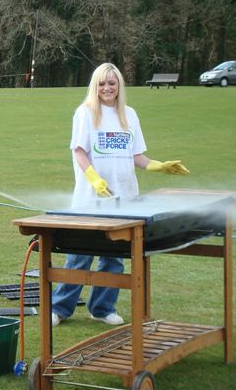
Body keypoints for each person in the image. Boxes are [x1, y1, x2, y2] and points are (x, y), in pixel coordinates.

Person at [51, 62, 189, 327]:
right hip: (90, 201)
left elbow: (136, 155)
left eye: (111, 83)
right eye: (101, 83)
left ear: (119, 86)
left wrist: (157, 165)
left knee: (114, 258)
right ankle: (60, 308)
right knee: (79, 257)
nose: (107, 88)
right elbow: (79, 151)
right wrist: (93, 178)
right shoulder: (85, 113)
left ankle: (102, 308)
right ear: (95, 86)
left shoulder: (130, 115)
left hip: (124, 200)